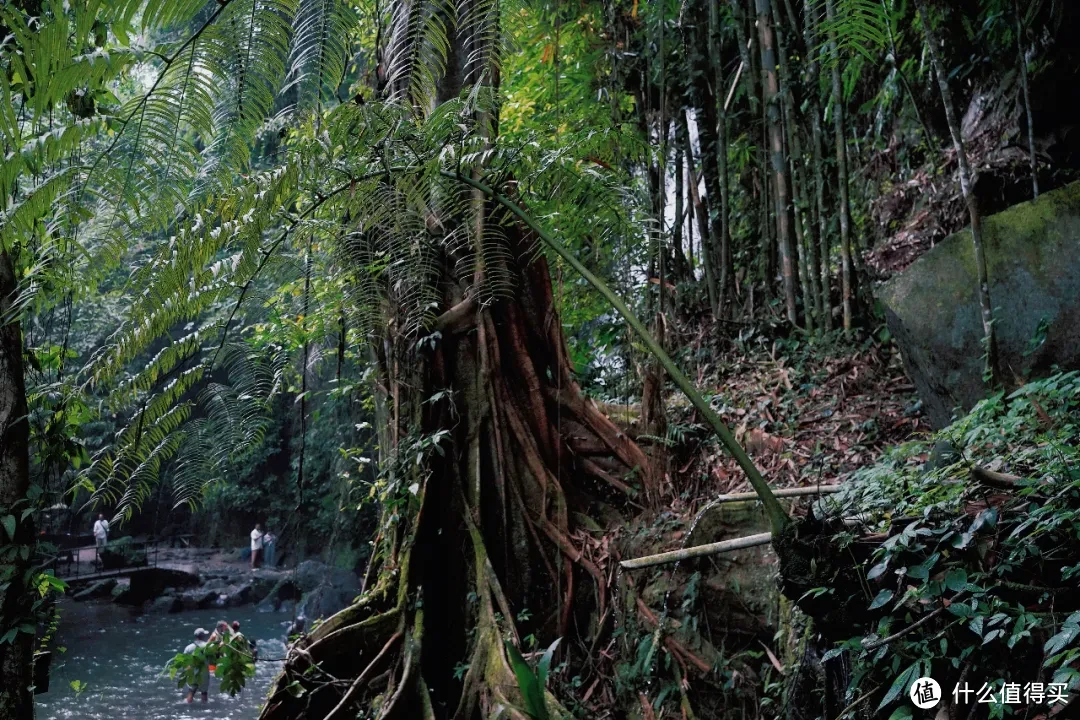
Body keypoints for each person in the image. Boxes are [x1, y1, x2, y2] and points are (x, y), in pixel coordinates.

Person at [183, 628, 211, 703]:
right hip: (204, 673)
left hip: (192, 673)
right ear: (203, 636)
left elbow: (184, 663)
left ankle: (188, 705)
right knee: (204, 692)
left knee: (191, 690)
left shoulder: (188, 648)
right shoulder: (207, 647)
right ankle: (204, 707)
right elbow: (212, 659)